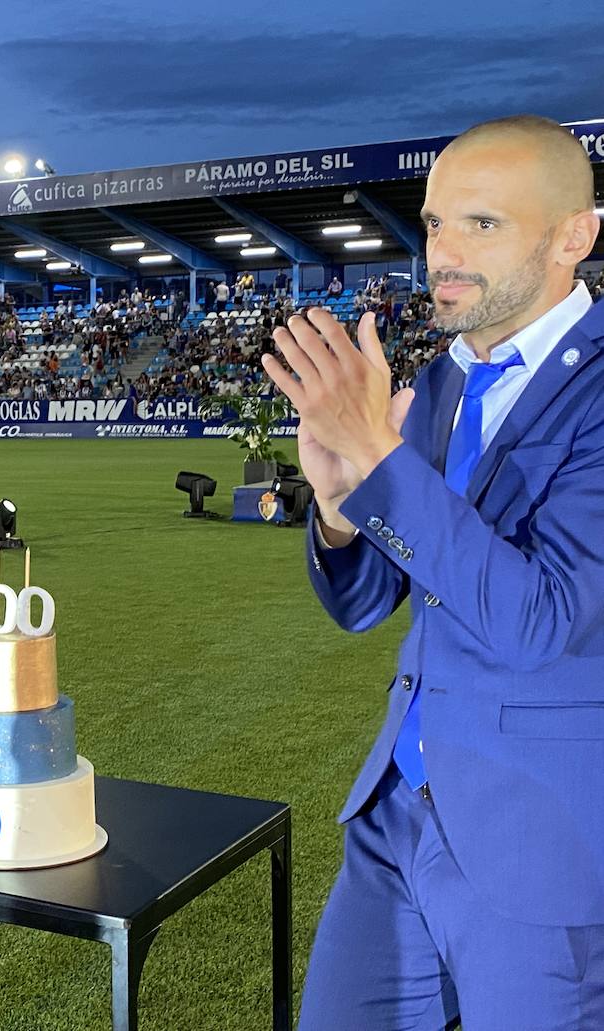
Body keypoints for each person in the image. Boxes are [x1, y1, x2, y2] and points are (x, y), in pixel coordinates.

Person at [261, 115, 604, 1028]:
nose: (442, 253)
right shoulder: (441, 383)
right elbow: (368, 602)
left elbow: (542, 619)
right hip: (397, 813)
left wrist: (380, 457)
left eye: (481, 225)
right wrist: (339, 511)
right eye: (434, 222)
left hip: (536, 835)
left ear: (576, 235)